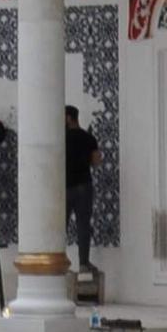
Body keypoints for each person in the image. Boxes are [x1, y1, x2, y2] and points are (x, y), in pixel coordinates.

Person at [62, 105, 98, 273]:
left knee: (61, 227)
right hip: (84, 186)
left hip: (66, 188)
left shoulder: (61, 138)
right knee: (83, 225)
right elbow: (96, 161)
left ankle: (59, 261)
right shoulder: (89, 138)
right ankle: (84, 263)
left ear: (68, 118)